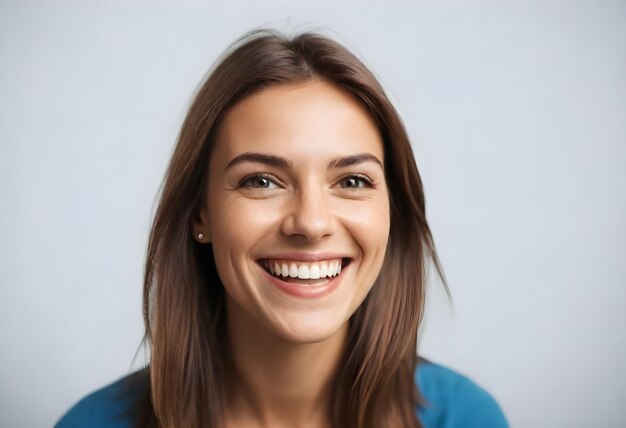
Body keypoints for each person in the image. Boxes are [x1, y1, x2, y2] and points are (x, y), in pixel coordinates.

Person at [56, 29, 508, 428]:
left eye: (352, 181)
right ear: (200, 215)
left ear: (391, 213)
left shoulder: (466, 419)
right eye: (261, 181)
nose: (311, 223)